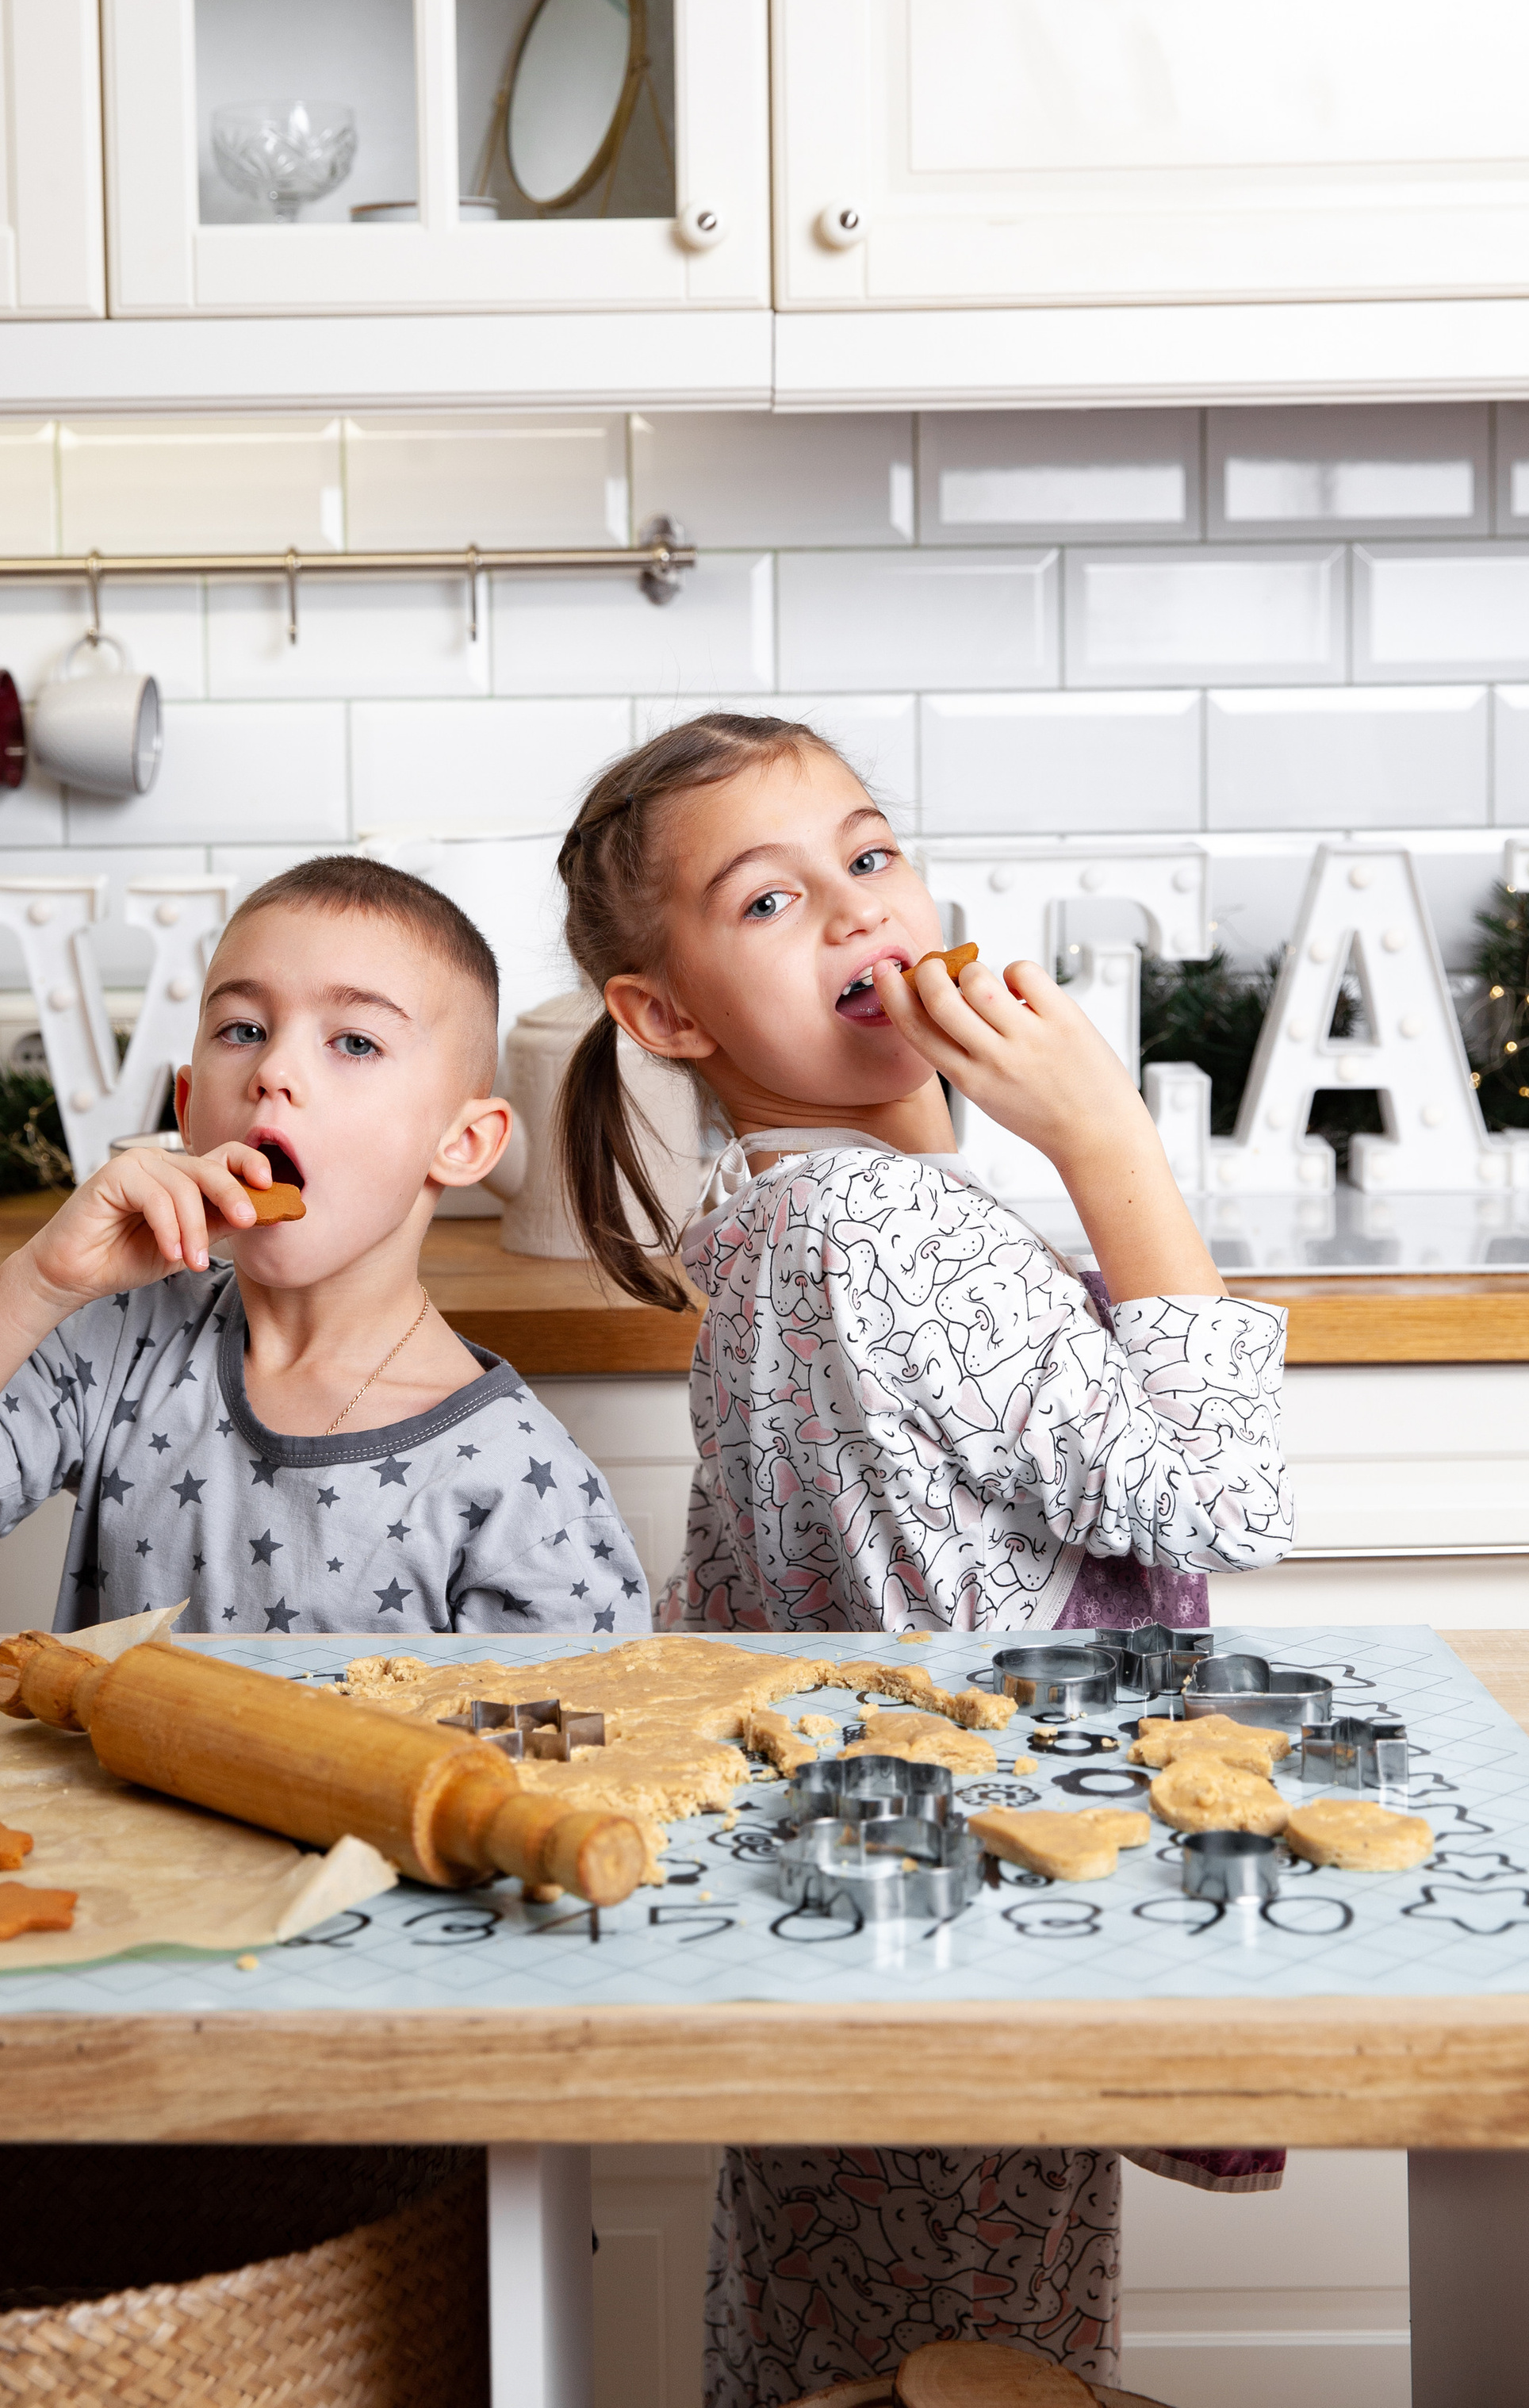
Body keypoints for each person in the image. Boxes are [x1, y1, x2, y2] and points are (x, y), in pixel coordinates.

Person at [553, 711, 1292, 2404]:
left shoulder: (770, 1219)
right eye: (765, 900)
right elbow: (1223, 1495)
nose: (852, 908)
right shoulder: (885, 1231)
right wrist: (1102, 1134)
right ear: (661, 1017)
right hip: (983, 1929)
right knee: (977, 2366)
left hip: (852, 1932)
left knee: (835, 2354)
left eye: (868, 857)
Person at [0, 857, 646, 1639]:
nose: (273, 1071)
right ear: (191, 1107)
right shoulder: (119, 1344)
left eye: (354, 1041)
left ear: (462, 1144)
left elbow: (575, 1778)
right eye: (242, 1029)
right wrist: (37, 1284)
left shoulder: (523, 1491)